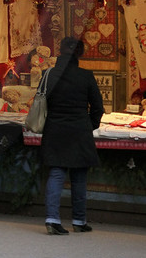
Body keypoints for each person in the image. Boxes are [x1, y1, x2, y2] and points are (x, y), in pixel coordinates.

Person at [40, 36, 105, 235]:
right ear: (80, 53)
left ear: (60, 51)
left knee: (56, 173)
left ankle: (52, 219)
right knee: (79, 176)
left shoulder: (48, 74)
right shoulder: (85, 76)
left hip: (54, 129)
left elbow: (40, 103)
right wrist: (90, 125)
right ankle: (79, 220)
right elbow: (98, 107)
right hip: (79, 130)